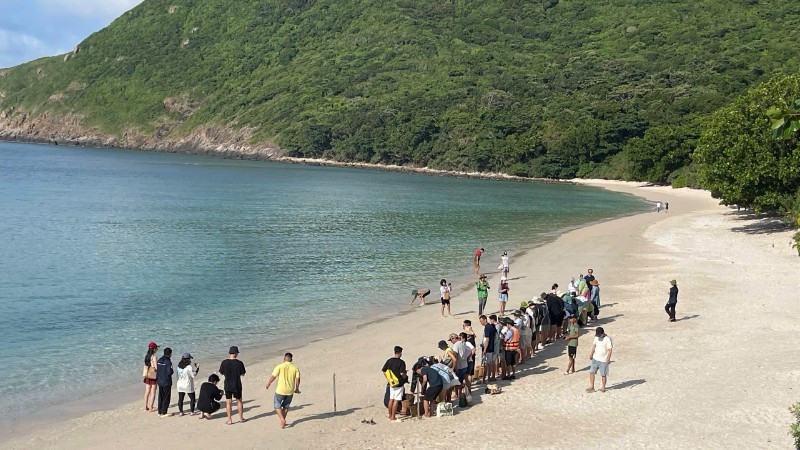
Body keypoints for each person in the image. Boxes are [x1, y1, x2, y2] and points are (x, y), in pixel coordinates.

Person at [266, 352, 301, 429]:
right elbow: (297, 379)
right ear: (291, 359)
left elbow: (273, 376)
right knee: (286, 406)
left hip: (280, 390)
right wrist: (297, 388)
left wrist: (268, 384)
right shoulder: (295, 367)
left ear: (284, 358)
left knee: (277, 405)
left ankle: (282, 419)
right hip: (290, 390)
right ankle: (283, 422)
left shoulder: (279, 366)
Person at [219, 346, 246, 424]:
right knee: (239, 401)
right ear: (236, 353)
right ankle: (241, 418)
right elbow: (243, 374)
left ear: (229, 353)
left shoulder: (224, 362)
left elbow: (221, 372)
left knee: (228, 402)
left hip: (227, 384)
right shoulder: (239, 363)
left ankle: (229, 419)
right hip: (237, 384)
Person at [380, 346, 407, 422]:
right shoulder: (401, 362)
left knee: (391, 399)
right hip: (399, 383)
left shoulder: (389, 361)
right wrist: (405, 375)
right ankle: (393, 417)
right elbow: (402, 373)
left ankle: (389, 414)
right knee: (396, 400)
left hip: (391, 383)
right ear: (400, 353)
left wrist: (389, 378)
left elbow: (384, 370)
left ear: (394, 352)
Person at [587, 327, 613, 393]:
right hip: (595, 358)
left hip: (603, 360)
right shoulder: (596, 338)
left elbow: (610, 350)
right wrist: (591, 354)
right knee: (591, 372)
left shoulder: (607, 339)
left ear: (602, 333)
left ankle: (603, 387)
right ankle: (592, 386)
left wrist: (608, 358)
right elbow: (594, 346)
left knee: (603, 374)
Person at [155, 347, 174, 417]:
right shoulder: (168, 361)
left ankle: (159, 411)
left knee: (161, 396)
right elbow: (170, 372)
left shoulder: (159, 360)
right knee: (166, 397)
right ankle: (164, 412)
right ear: (170, 354)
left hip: (160, 381)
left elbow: (158, 370)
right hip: (166, 382)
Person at [479, 315, 496, 383]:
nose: (481, 323)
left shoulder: (487, 327)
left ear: (485, 320)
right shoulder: (491, 326)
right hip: (491, 347)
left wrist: (485, 350)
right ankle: (489, 377)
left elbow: (487, 339)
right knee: (490, 363)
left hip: (488, 348)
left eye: (481, 321)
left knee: (486, 364)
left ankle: (485, 379)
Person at [142, 342, 158, 412]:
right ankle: (151, 407)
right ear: (154, 349)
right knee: (153, 391)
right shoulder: (153, 357)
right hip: (153, 375)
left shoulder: (146, 356)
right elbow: (156, 368)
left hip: (147, 375)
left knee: (147, 391)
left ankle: (145, 406)